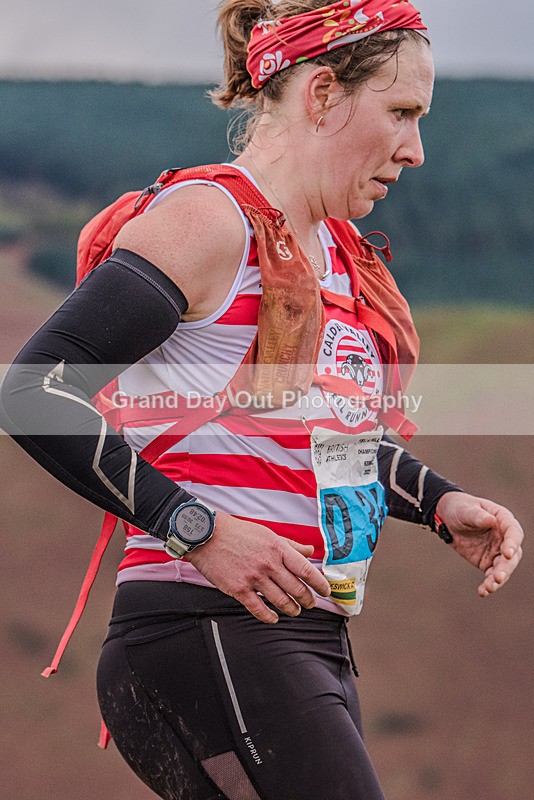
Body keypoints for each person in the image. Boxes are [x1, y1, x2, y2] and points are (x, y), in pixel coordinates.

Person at [0, 1, 524, 798]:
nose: (417, 150)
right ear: (320, 94)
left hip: (301, 636)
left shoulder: (340, 262)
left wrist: (441, 502)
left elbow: (325, 437)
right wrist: (199, 529)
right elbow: (33, 391)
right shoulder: (209, 221)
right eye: (402, 112)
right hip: (208, 628)